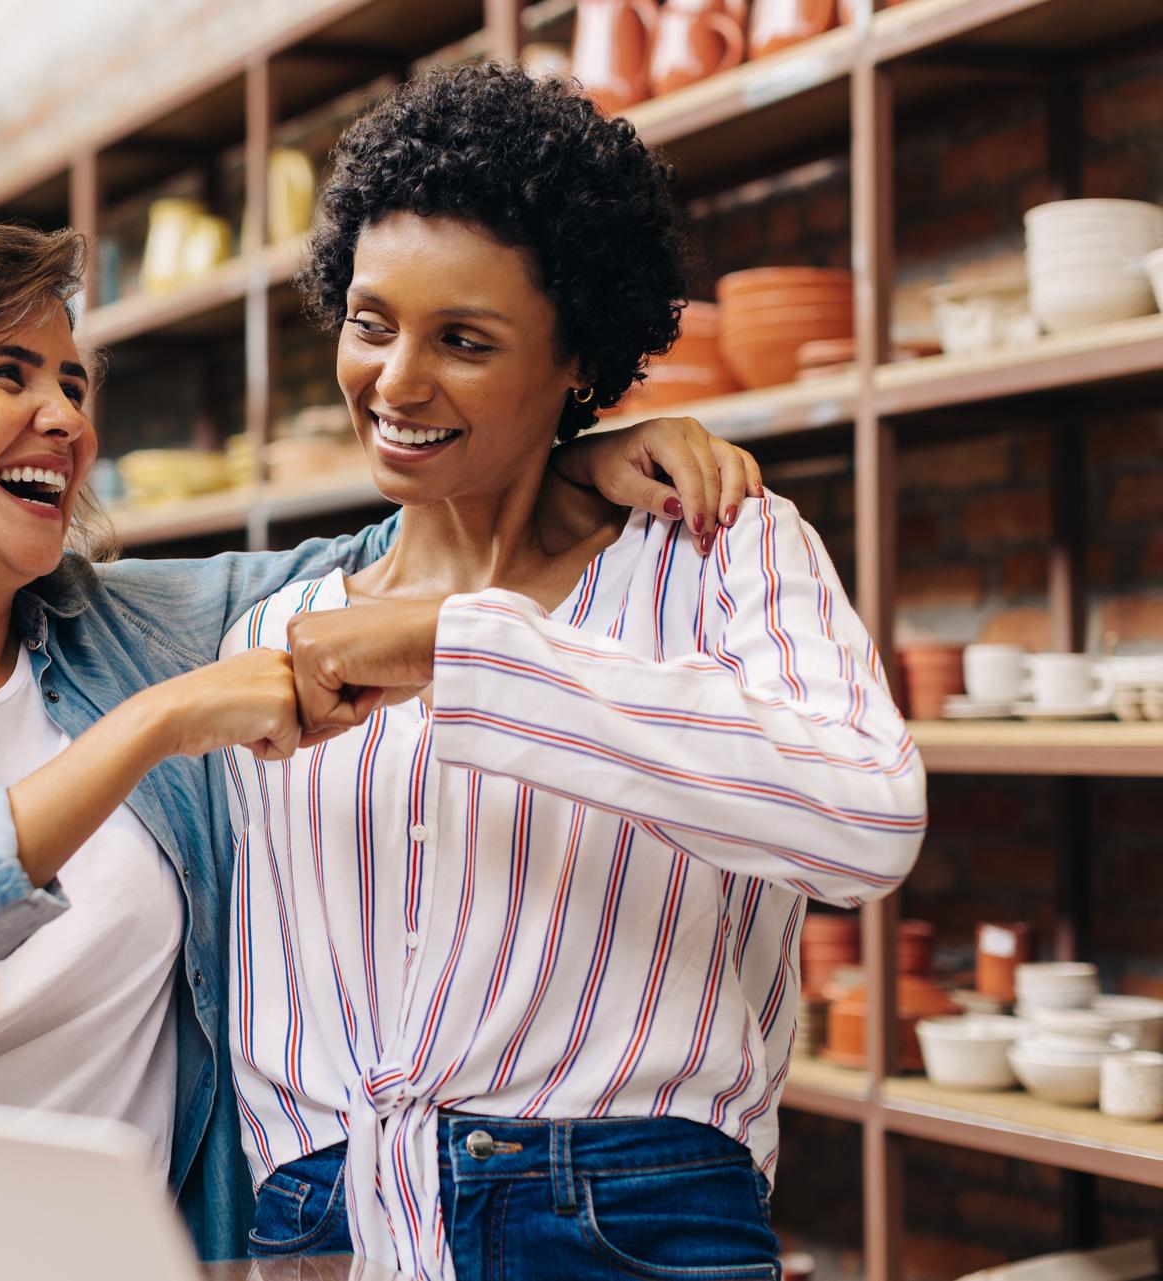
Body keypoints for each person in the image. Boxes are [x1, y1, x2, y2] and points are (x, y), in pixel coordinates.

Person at [0, 226, 766, 1257]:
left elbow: (413, 539)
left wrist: (583, 456)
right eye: (9, 374)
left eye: (74, 382)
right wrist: (155, 724)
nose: (66, 417)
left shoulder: (136, 625)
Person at [207, 64, 927, 1281]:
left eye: (466, 341)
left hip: (626, 1219)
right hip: (331, 1221)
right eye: (371, 322)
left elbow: (865, 820)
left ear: (578, 360)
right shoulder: (279, 629)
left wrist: (464, 651)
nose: (395, 381)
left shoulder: (720, 548)